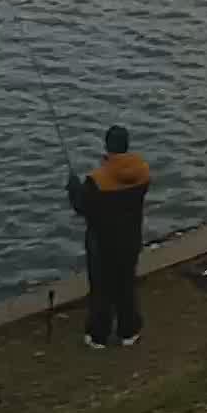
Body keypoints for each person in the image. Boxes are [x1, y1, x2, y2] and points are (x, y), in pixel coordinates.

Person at [66, 125, 150, 348]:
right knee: (126, 284)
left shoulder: (97, 180)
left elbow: (83, 207)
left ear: (107, 146)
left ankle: (98, 335)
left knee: (101, 290)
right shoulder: (142, 171)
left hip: (102, 244)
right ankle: (129, 331)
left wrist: (73, 188)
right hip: (131, 239)